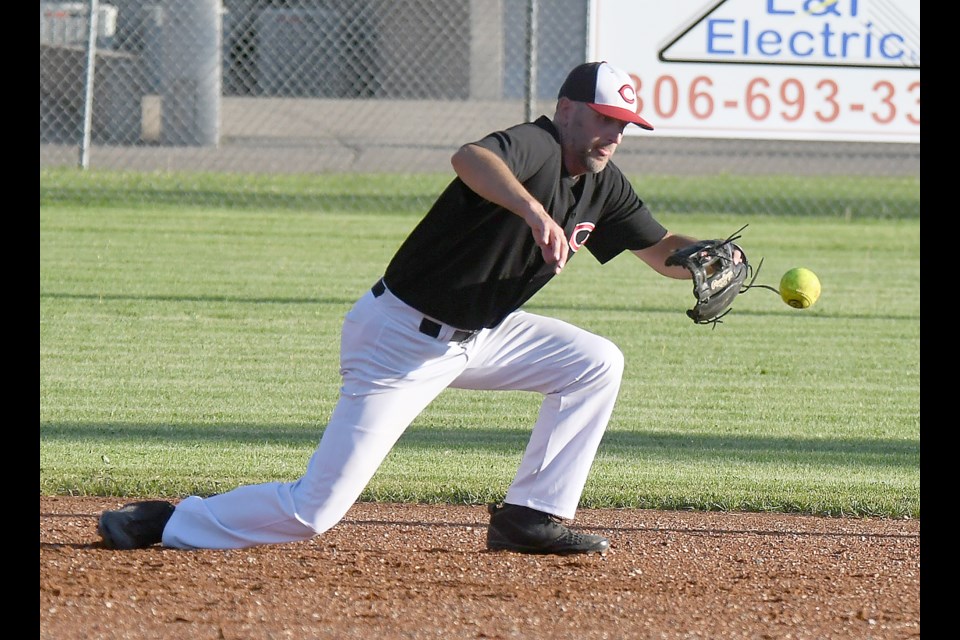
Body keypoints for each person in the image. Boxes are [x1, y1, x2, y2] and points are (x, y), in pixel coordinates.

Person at [98, 61, 736, 555]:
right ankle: (171, 520)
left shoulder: (604, 182)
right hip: (400, 338)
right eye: (602, 118)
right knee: (312, 513)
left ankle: (531, 517)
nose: (613, 134)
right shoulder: (536, 147)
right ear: (566, 109)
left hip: (480, 334)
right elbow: (469, 158)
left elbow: (658, 249)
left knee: (595, 361)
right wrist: (533, 210)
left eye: (624, 125)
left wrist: (702, 258)